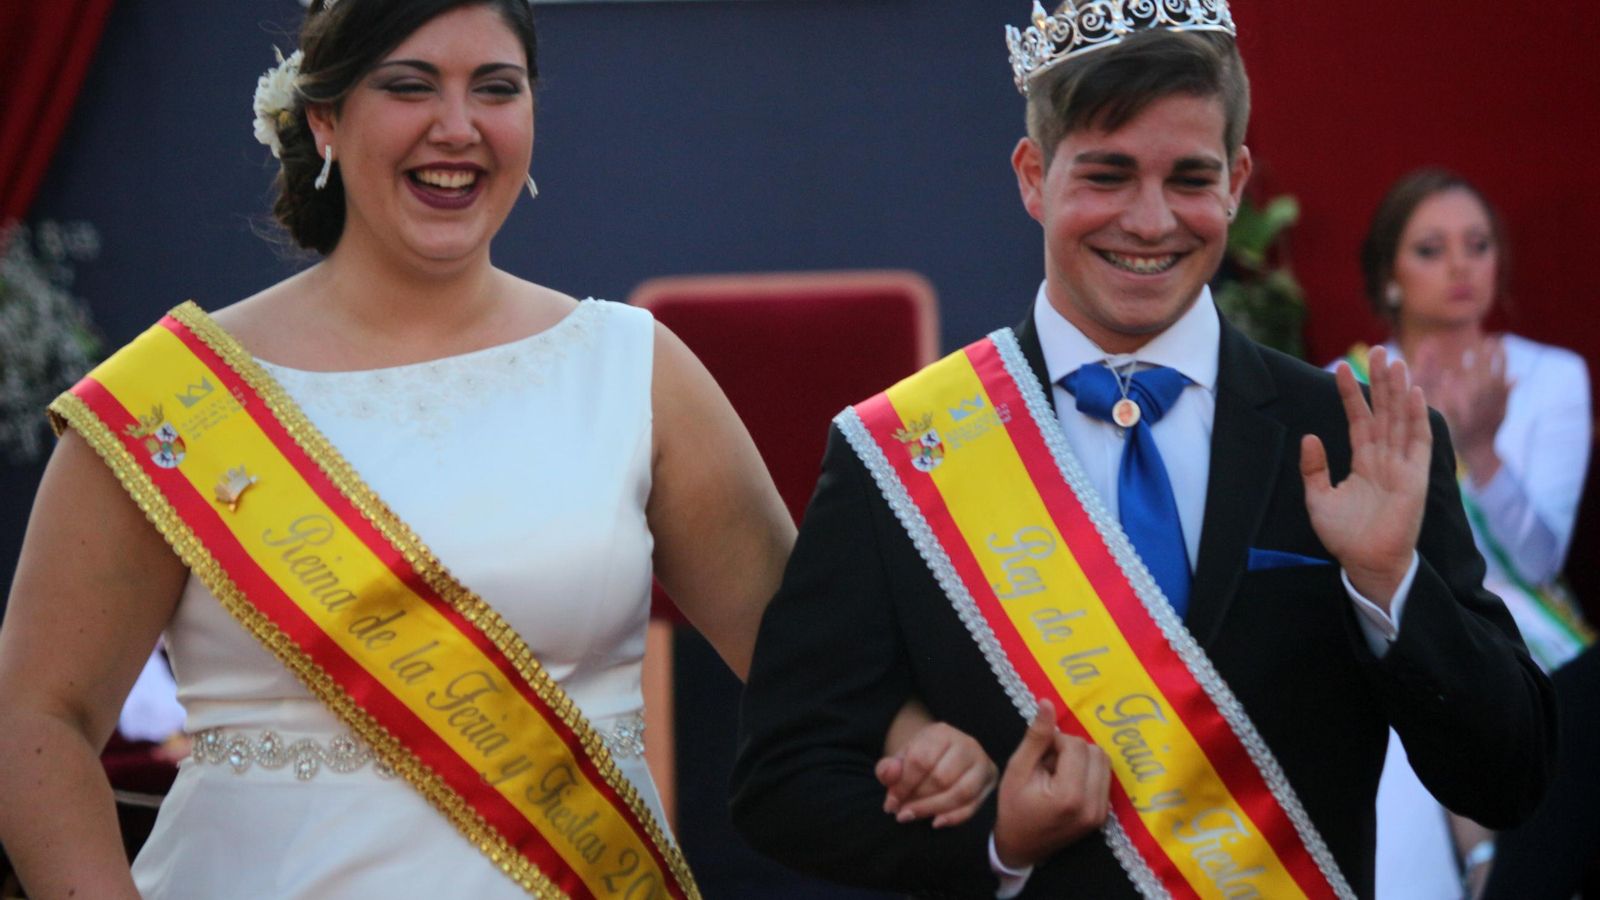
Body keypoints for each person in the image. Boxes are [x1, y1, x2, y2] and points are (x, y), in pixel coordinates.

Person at [0, 1, 989, 897]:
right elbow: (38, 715)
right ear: (323, 123)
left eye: (496, 89)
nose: (458, 127)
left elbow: (800, 655)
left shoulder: (632, 369)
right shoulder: (176, 398)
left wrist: (920, 743)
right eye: (408, 85)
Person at [730, 4, 1556, 898]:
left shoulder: (1352, 438)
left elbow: (1509, 779)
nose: (1152, 220)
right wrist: (994, 842)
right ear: (1033, 175)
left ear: (1237, 182)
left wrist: (1391, 586)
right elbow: (782, 782)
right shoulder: (903, 453)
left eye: (1190, 178)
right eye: (1109, 174)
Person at [1343, 169, 1594, 899]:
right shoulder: (1342, 383)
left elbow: (1539, 559)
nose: (1460, 267)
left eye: (1477, 246)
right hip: (1396, 617)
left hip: (1528, 628)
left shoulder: (1551, 378)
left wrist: (1480, 455)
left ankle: (1496, 864)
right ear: (1389, 274)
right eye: (1430, 249)